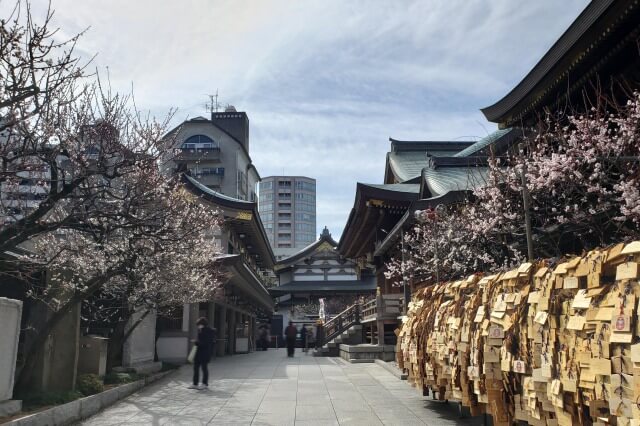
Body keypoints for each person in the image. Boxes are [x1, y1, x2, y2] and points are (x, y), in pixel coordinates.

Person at [189, 317, 216, 390]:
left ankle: (205, 384)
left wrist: (196, 342)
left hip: (205, 353)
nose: (198, 326)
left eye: (199, 325)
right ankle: (195, 383)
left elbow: (205, 343)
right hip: (200, 352)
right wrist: (197, 342)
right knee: (196, 368)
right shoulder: (201, 331)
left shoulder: (207, 331)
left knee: (204, 368)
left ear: (202, 324)